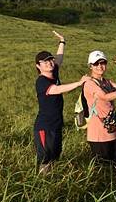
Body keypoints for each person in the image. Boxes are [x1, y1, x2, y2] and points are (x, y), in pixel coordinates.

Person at [34, 31, 89, 174]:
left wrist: (62, 41)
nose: (50, 63)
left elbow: (59, 58)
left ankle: (51, 180)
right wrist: (79, 83)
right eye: (45, 62)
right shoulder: (42, 81)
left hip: (57, 123)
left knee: (55, 156)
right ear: (38, 66)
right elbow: (57, 90)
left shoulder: (53, 71)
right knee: (45, 159)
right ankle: (42, 183)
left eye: (50, 60)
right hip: (45, 126)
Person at [83, 50, 116, 169]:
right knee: (102, 168)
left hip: (112, 130)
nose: (100, 66)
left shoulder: (106, 82)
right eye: (96, 64)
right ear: (90, 66)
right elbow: (104, 97)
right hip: (98, 135)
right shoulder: (89, 84)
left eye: (103, 63)